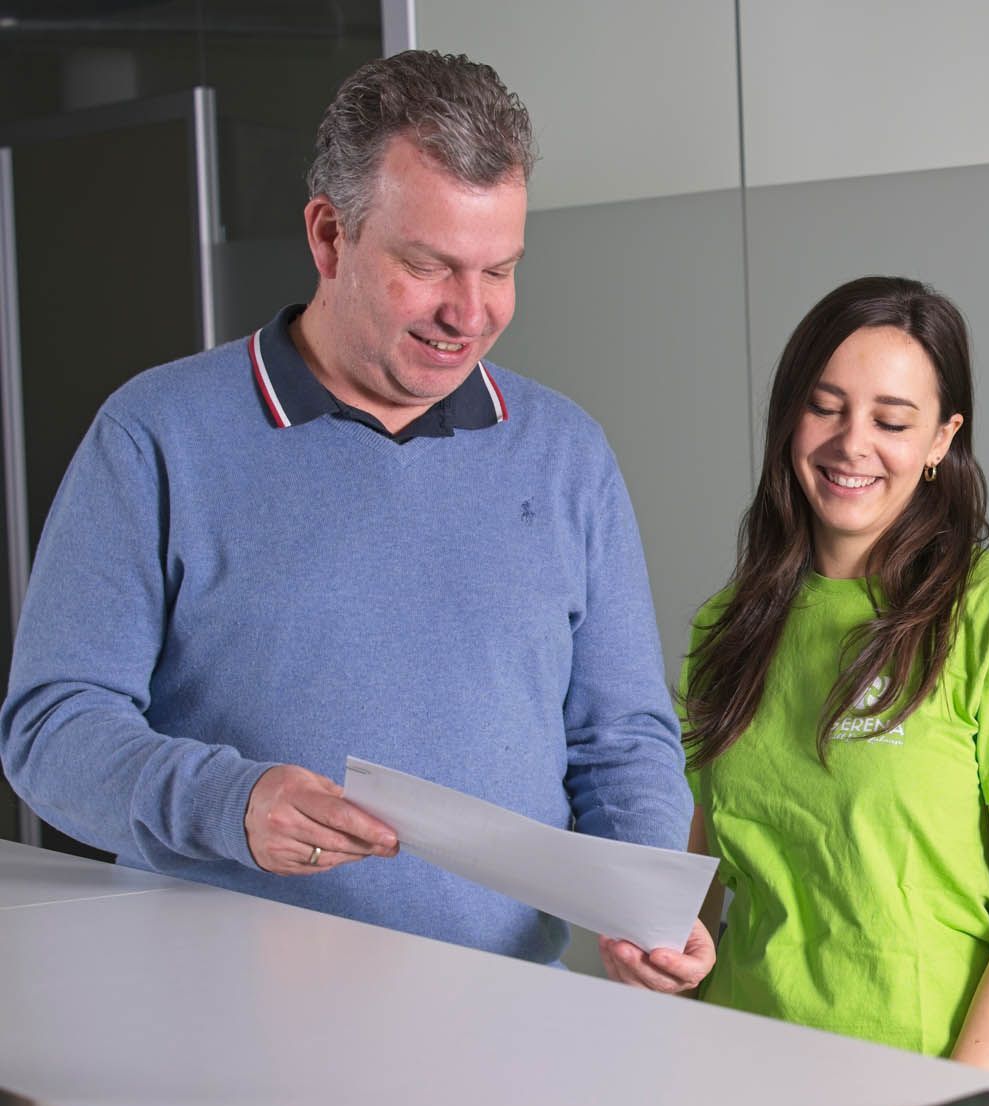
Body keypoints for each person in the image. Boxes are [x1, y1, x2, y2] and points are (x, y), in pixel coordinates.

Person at [0, 50, 698, 967]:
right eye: (430, 266)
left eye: (500, 270)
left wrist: (641, 895)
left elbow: (622, 738)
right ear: (329, 237)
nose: (471, 313)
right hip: (214, 1008)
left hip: (507, 1017)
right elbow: (52, 728)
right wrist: (228, 804)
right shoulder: (156, 436)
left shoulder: (567, 455)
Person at [603, 276, 989, 1078]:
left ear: (942, 439)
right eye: (825, 406)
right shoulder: (726, 624)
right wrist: (655, 970)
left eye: (892, 420)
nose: (851, 443)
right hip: (741, 1073)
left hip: (936, 1090)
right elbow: (700, 885)